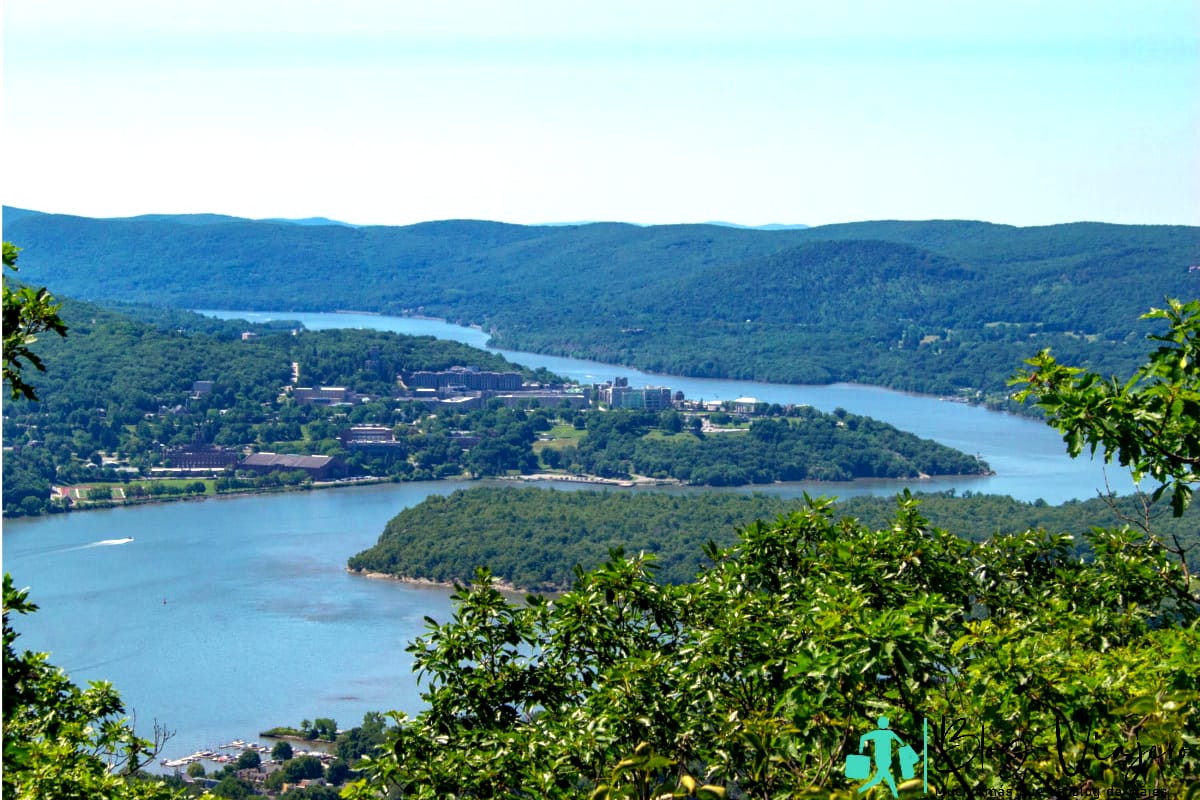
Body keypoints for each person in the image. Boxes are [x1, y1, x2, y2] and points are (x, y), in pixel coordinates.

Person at [858, 715, 905, 797]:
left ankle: (860, 790)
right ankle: (897, 795)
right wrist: (901, 746)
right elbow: (901, 742)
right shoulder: (890, 733)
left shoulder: (876, 733)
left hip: (880, 760)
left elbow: (863, 737)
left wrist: (861, 749)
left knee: (880, 778)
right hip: (886, 760)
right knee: (884, 778)